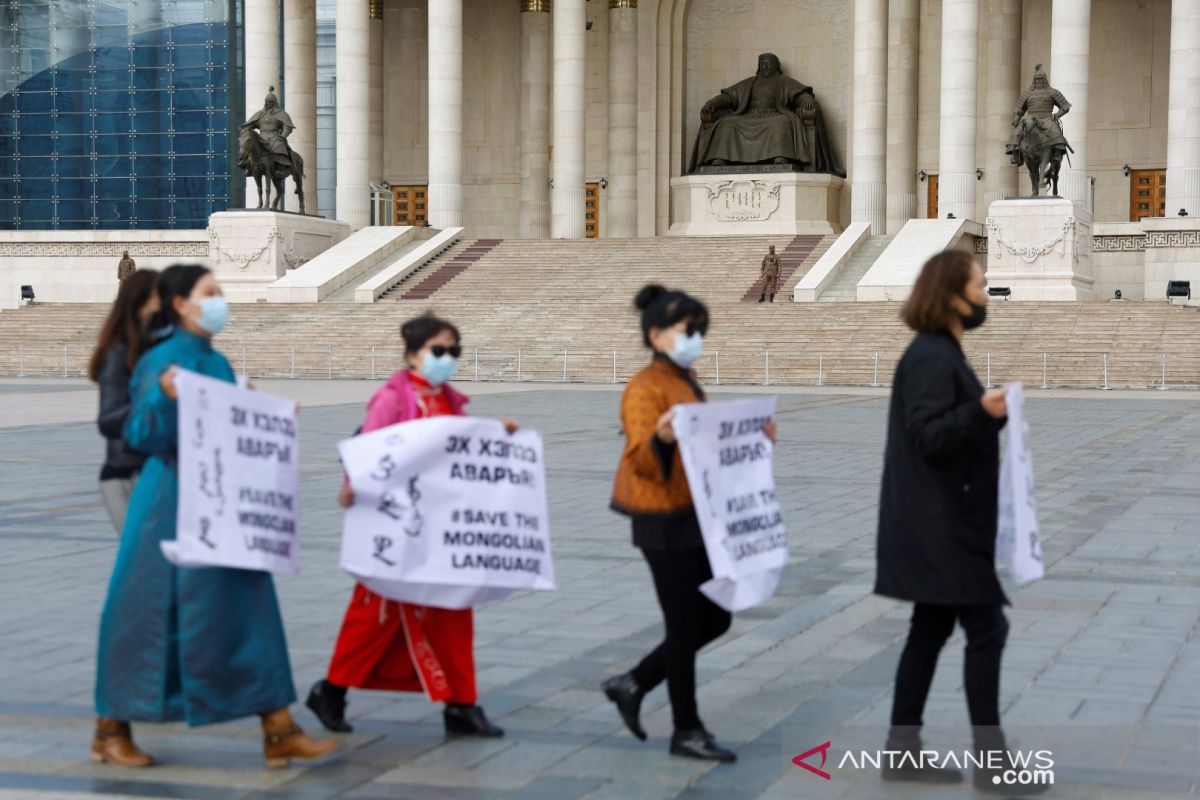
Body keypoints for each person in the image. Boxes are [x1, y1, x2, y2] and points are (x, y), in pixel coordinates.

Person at [93, 264, 337, 769]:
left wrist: (263, 417)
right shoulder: (160, 362)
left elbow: (227, 424)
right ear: (181, 304)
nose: (220, 301)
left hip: (222, 501)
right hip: (168, 502)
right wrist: (163, 395)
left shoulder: (217, 361)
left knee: (248, 603)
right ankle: (110, 727)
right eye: (212, 293)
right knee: (145, 613)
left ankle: (278, 727)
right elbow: (138, 433)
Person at [874, 251, 1041, 795]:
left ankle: (902, 752)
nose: (985, 297)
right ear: (951, 295)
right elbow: (928, 434)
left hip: (940, 519)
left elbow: (948, 434)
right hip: (939, 526)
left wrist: (986, 415)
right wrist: (981, 412)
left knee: (930, 629)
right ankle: (993, 766)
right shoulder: (930, 357)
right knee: (986, 630)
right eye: (980, 286)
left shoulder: (943, 352)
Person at [307, 314, 512, 739]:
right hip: (395, 524)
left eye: (454, 352)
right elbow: (369, 446)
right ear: (412, 354)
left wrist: (497, 436)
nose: (447, 359)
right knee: (374, 613)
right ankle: (332, 690)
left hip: (440, 526)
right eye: (438, 351)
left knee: (455, 609)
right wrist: (352, 486)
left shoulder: (451, 401)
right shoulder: (391, 398)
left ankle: (461, 703)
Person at [602, 285, 775, 763]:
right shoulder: (645, 387)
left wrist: (751, 433)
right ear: (656, 335)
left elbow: (706, 439)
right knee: (685, 623)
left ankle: (633, 682)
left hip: (693, 512)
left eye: (699, 330)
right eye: (686, 331)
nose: (695, 338)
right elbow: (640, 455)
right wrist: (659, 437)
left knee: (714, 616)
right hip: (659, 517)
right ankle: (686, 729)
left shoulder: (684, 379)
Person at [88, 269, 160, 534]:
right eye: (158, 298)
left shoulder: (156, 350)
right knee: (143, 563)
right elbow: (108, 421)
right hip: (126, 474)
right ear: (140, 303)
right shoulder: (118, 354)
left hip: (154, 471)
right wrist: (155, 398)